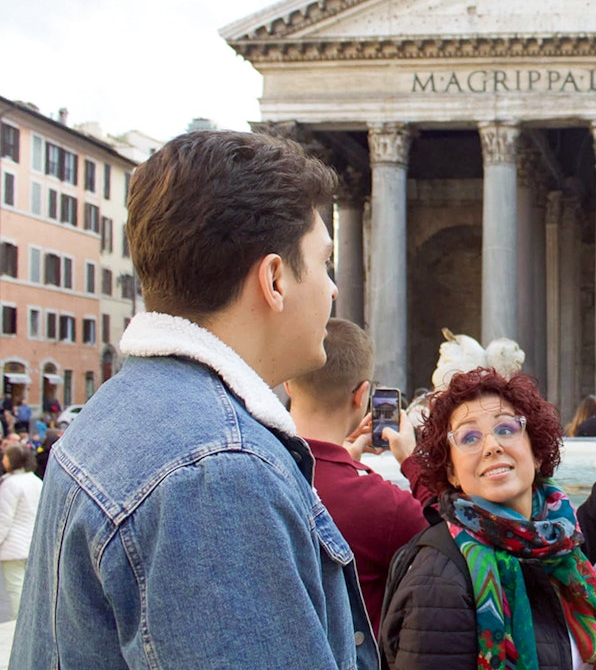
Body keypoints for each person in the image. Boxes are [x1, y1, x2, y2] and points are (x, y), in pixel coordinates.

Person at [11, 131, 377, 668]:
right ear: (274, 278)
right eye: (324, 263)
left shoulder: (116, 410)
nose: (333, 289)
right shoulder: (218, 473)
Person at [380, 367, 596, 670]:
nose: (492, 446)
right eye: (469, 437)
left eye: (506, 429)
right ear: (451, 473)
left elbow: (580, 538)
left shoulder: (553, 540)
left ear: (536, 452)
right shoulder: (437, 579)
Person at [286, 318, 429, 636]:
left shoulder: (250, 469)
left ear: (287, 383)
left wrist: (342, 459)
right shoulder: (384, 506)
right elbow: (455, 540)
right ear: (362, 394)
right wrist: (413, 460)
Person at [0, 442, 42, 621]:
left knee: (16, 588)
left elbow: (4, 518)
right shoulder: (35, 480)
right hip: (33, 540)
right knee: (33, 587)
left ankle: (20, 623)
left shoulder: (10, 484)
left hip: (14, 544)